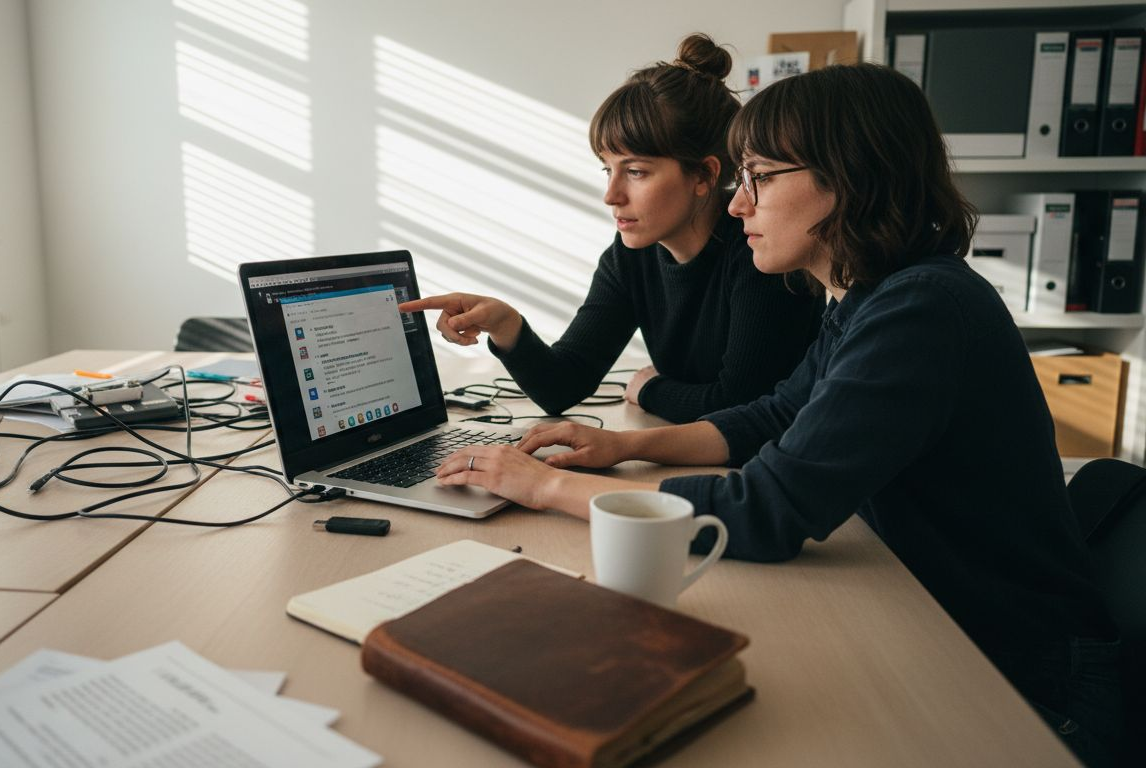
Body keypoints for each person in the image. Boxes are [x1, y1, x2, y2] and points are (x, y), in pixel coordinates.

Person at [432, 63, 1122, 765]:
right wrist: (617, 451)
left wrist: (547, 486)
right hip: (951, 626)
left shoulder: (921, 310)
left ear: (847, 178)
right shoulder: (869, 298)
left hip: (1037, 686)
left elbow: (769, 509)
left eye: (760, 176)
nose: (739, 204)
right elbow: (771, 416)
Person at [398, 34, 820, 424]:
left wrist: (650, 388)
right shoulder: (630, 257)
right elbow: (563, 385)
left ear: (704, 176)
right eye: (608, 169)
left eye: (635, 171)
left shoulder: (762, 253)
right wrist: (507, 326)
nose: (611, 195)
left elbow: (739, 407)